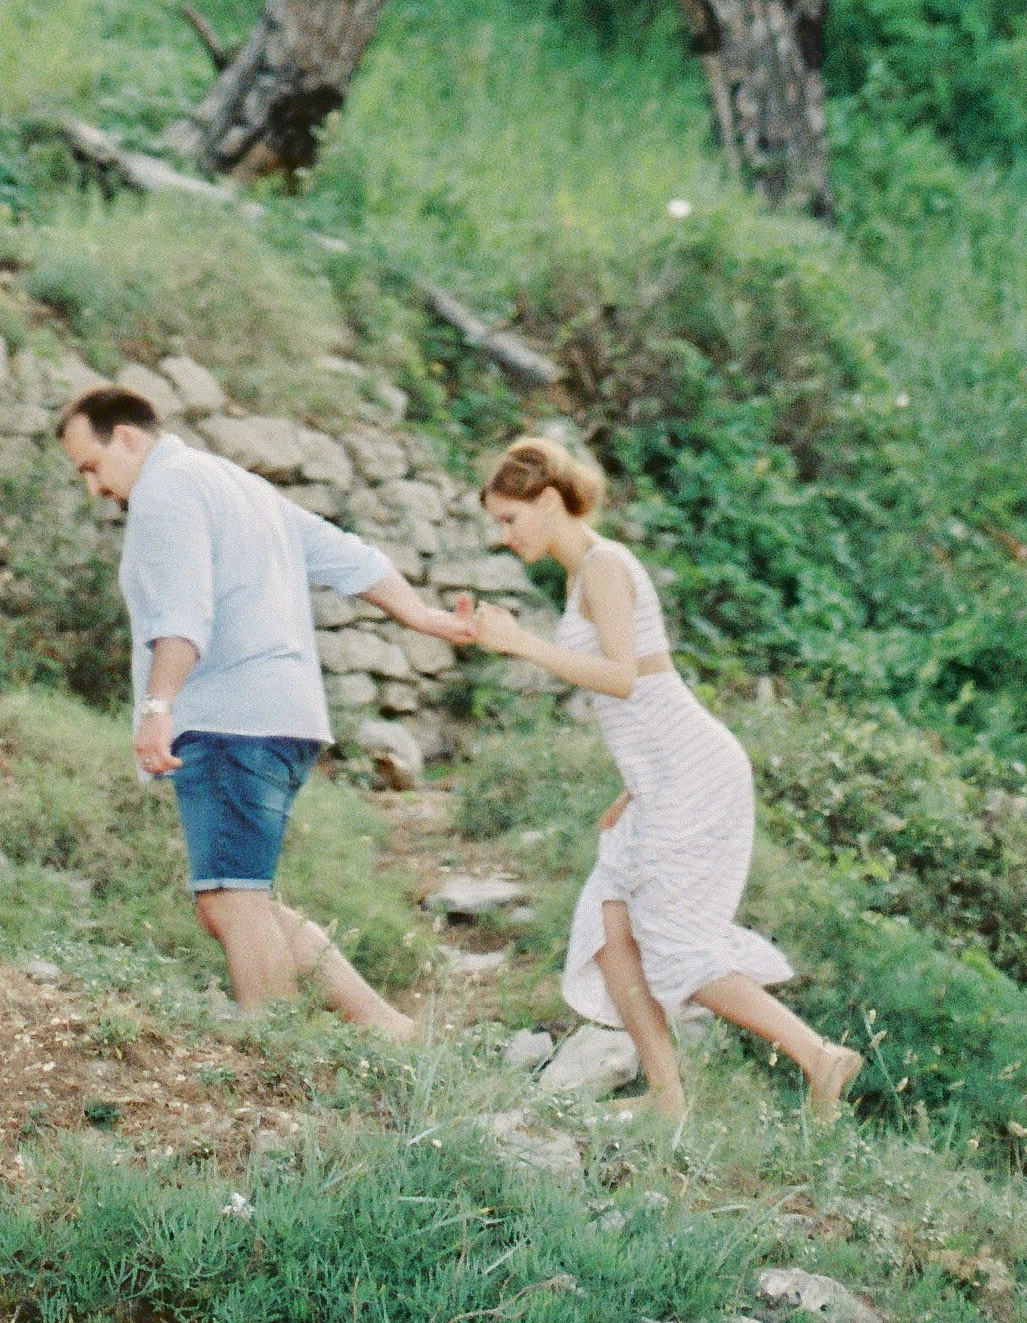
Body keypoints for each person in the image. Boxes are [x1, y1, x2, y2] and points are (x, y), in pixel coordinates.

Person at [462, 433, 861, 1123]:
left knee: (673, 945)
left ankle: (819, 1056)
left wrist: (522, 643)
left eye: (509, 517)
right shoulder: (583, 573)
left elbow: (622, 678)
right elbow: (646, 682)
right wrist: (633, 784)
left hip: (693, 772)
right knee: (607, 924)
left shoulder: (604, 565)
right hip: (663, 774)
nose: (504, 535)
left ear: (549, 501)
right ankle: (667, 1095)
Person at [58, 382, 473, 1033]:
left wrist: (158, 705)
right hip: (284, 719)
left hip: (230, 720)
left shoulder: (165, 491)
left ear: (128, 438)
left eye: (92, 466)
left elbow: (183, 613)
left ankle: (277, 1055)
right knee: (243, 897)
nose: (94, 487)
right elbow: (349, 556)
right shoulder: (236, 483)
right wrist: (420, 614)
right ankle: (393, 1032)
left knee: (231, 900)